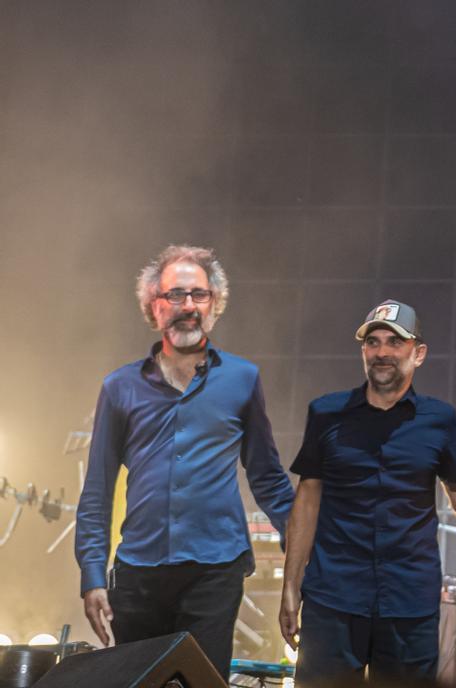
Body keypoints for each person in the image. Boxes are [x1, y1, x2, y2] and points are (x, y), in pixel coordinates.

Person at [76, 244, 294, 675]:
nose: (188, 306)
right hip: (138, 574)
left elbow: (268, 478)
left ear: (214, 304)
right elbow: (97, 489)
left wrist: (303, 553)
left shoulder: (242, 379)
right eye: (175, 295)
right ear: (153, 306)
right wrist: (92, 576)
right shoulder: (119, 387)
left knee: (201, 682)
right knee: (141, 683)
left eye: (199, 294)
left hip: (215, 571)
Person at [279, 299, 456, 687]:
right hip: (333, 598)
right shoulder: (326, 413)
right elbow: (308, 499)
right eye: (373, 342)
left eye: (395, 342)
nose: (382, 352)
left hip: (409, 602)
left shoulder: (439, 420)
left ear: (418, 354)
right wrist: (290, 583)